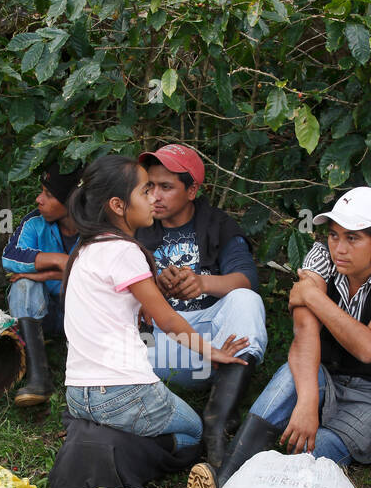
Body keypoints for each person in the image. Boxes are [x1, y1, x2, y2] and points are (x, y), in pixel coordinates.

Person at [186, 186, 371, 488]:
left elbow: (369, 347)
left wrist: (313, 297)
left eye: (353, 239)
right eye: (334, 235)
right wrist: (308, 401)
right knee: (288, 378)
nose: (339, 248)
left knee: (307, 455)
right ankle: (221, 485)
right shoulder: (320, 257)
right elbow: (304, 334)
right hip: (322, 374)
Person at [62, 154, 248, 451]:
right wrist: (212, 353)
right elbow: (168, 320)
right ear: (118, 205)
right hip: (122, 392)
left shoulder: (87, 249)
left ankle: (105, 435)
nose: (153, 199)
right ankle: (123, 448)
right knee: (194, 433)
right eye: (145, 191)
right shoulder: (125, 250)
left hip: (76, 392)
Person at [135, 144, 267, 466]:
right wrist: (155, 292)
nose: (155, 196)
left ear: (192, 189)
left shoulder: (218, 225)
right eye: (149, 186)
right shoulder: (138, 227)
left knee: (246, 300)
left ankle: (217, 422)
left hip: (216, 343)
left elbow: (246, 278)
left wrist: (203, 283)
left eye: (166, 187)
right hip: (166, 347)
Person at [0, 160, 81, 406]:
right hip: (42, 314)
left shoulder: (97, 230)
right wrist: (59, 260)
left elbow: (98, 274)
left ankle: (82, 373)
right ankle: (39, 377)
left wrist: (45, 274)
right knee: (24, 285)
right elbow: (10, 257)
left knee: (81, 283)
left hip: (81, 316)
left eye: (48, 194)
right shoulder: (34, 222)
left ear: (72, 201)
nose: (39, 199)